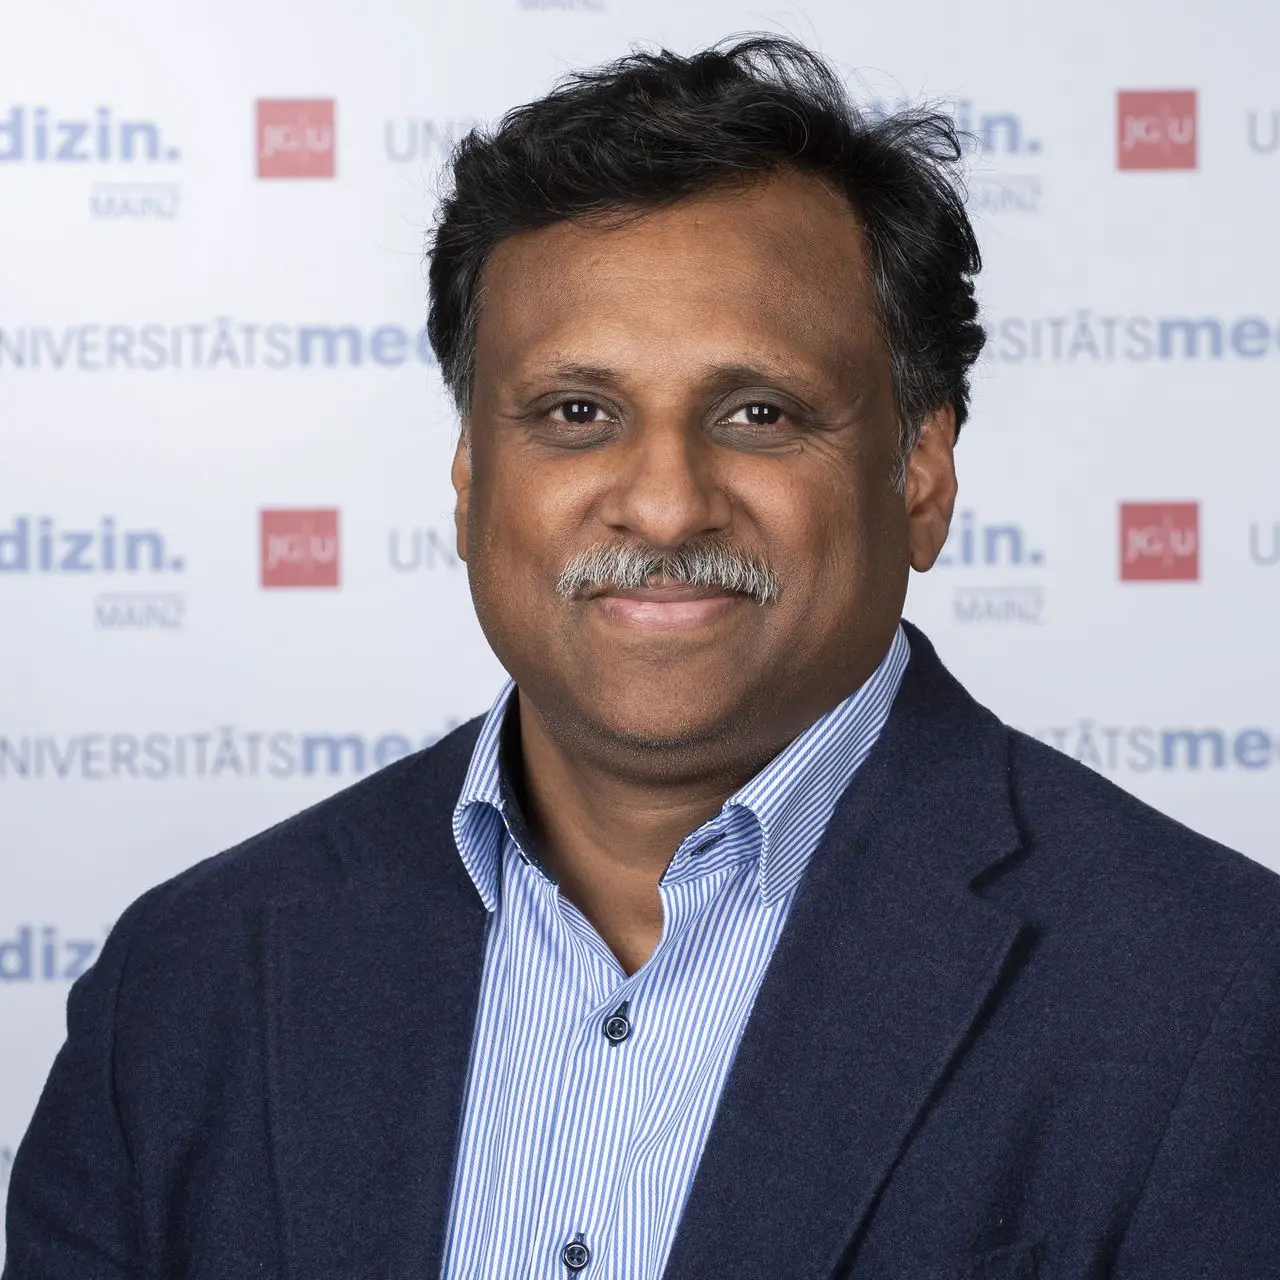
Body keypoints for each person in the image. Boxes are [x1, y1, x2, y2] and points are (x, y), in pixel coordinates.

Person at [5, 35, 1279, 1280]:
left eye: (757, 412)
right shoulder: (186, 981)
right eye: (577, 413)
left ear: (921, 475)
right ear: (468, 479)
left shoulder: (1211, 993)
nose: (664, 508)